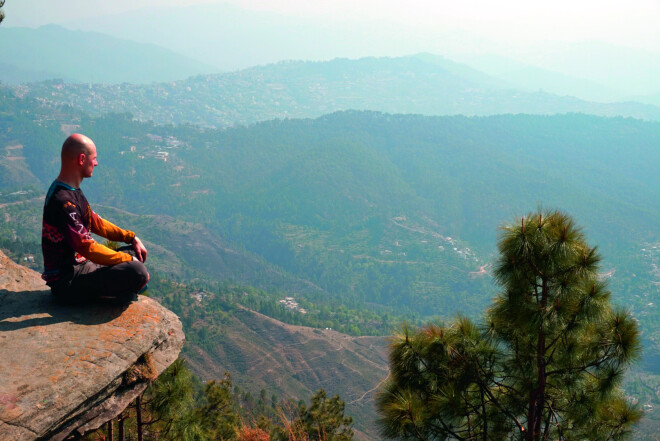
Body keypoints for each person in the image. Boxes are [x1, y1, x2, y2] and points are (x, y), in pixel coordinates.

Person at [41, 133, 149, 305]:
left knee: (136, 253)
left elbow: (97, 223)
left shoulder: (72, 191)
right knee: (137, 271)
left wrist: (131, 237)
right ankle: (106, 297)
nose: (96, 163)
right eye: (94, 158)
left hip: (84, 266)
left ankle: (115, 289)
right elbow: (87, 247)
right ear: (82, 159)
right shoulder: (63, 201)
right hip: (68, 281)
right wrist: (128, 261)